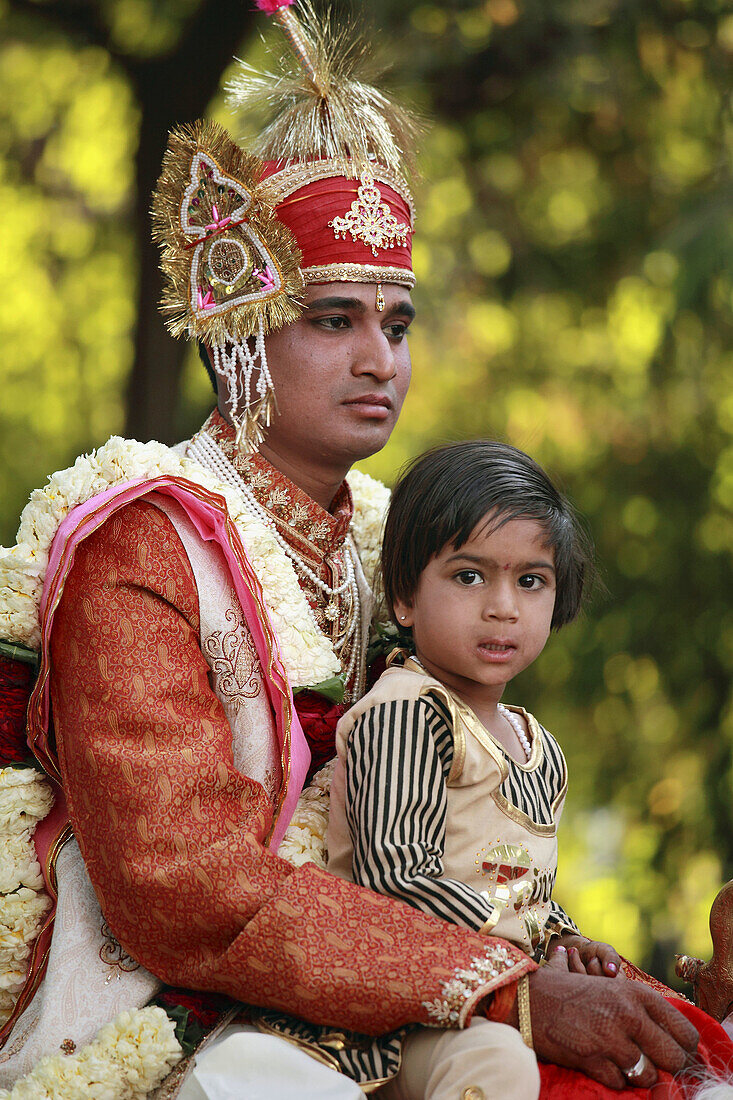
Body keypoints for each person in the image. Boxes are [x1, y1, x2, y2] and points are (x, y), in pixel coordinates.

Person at [0, 2, 710, 1097]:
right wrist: (502, 987)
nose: (379, 357)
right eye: (333, 319)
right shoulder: (143, 543)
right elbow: (182, 886)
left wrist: (555, 951)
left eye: (399, 322)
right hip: (168, 1014)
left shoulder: (401, 540)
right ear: (240, 331)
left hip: (405, 992)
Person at [327, 440, 619, 1097]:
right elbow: (395, 876)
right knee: (496, 1062)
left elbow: (522, 891)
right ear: (404, 597)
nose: (502, 607)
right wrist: (526, 969)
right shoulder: (407, 712)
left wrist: (570, 940)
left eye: (529, 580)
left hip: (514, 990)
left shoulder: (533, 742)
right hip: (412, 1005)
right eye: (468, 576)